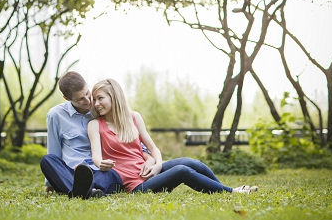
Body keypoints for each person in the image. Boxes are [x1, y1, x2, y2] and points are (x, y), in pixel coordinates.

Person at [87, 78, 256, 195]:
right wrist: (101, 163)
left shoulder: (134, 117)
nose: (96, 104)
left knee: (191, 162)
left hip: (150, 171)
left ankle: (222, 189)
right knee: (181, 171)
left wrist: (157, 165)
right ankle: (232, 192)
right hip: (137, 184)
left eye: (100, 98)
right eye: (94, 99)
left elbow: (153, 149)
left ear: (114, 97)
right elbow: (96, 156)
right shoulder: (95, 125)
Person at [39, 71, 153, 199]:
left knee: (109, 176)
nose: (88, 101)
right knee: (47, 160)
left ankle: (78, 191)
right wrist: (51, 182)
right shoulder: (56, 115)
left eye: (87, 94)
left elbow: (127, 135)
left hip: (100, 170)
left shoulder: (101, 108)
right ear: (67, 98)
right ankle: (85, 190)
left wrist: (148, 157)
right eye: (80, 99)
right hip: (71, 171)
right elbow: (54, 151)